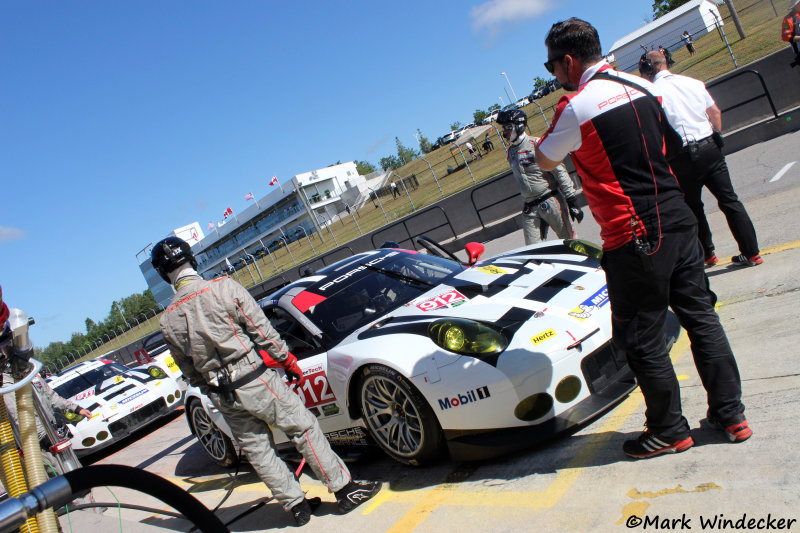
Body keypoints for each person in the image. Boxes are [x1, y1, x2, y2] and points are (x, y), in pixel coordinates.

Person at [533, 18, 751, 459]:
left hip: (634, 233)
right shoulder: (644, 86)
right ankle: (731, 415)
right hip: (677, 213)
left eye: (553, 66)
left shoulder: (574, 106)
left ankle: (669, 429)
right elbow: (671, 146)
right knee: (701, 318)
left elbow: (544, 159)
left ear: (569, 61)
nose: (554, 75)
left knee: (640, 337)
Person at [151, 237, 381, 526]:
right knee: (304, 428)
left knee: (258, 450)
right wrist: (288, 361)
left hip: (221, 392)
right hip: (255, 379)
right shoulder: (223, 288)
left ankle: (297, 508)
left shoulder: (168, 320)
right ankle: (345, 489)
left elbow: (188, 369)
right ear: (192, 260)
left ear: (163, 274)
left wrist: (211, 386)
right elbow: (262, 331)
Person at [639, 50, 762, 267]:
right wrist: (715, 136)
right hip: (708, 146)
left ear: (648, 69)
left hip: (679, 156)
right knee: (729, 200)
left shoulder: (649, 93)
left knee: (693, 207)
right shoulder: (693, 82)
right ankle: (752, 253)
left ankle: (708, 254)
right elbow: (715, 113)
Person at [495, 108, 583, 245]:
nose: (504, 132)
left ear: (519, 126)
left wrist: (571, 199)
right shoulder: (510, 152)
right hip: (530, 207)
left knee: (570, 242)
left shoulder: (537, 144)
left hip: (550, 200)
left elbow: (559, 171)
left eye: (507, 127)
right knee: (532, 250)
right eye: (503, 128)